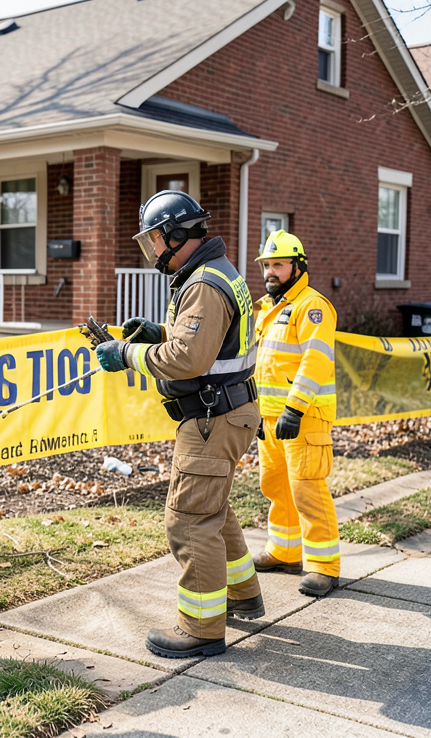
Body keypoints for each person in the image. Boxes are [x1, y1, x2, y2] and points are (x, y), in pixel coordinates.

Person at [92, 190, 262, 659]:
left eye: (154, 241)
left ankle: (202, 629)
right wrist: (157, 333)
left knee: (189, 521)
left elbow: (189, 356)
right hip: (228, 411)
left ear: (177, 235)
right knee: (214, 508)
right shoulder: (211, 273)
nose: (153, 253)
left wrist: (127, 353)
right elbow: (205, 339)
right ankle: (243, 594)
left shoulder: (204, 282)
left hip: (212, 416)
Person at [252, 231, 340, 597]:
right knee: (275, 487)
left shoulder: (312, 306)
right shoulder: (267, 307)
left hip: (304, 416)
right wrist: (258, 410)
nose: (271, 271)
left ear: (297, 265)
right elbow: (261, 364)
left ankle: (324, 566)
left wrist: (293, 407)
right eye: (267, 265)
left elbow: (315, 362)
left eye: (278, 264)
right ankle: (285, 551)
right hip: (271, 417)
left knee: (307, 489)